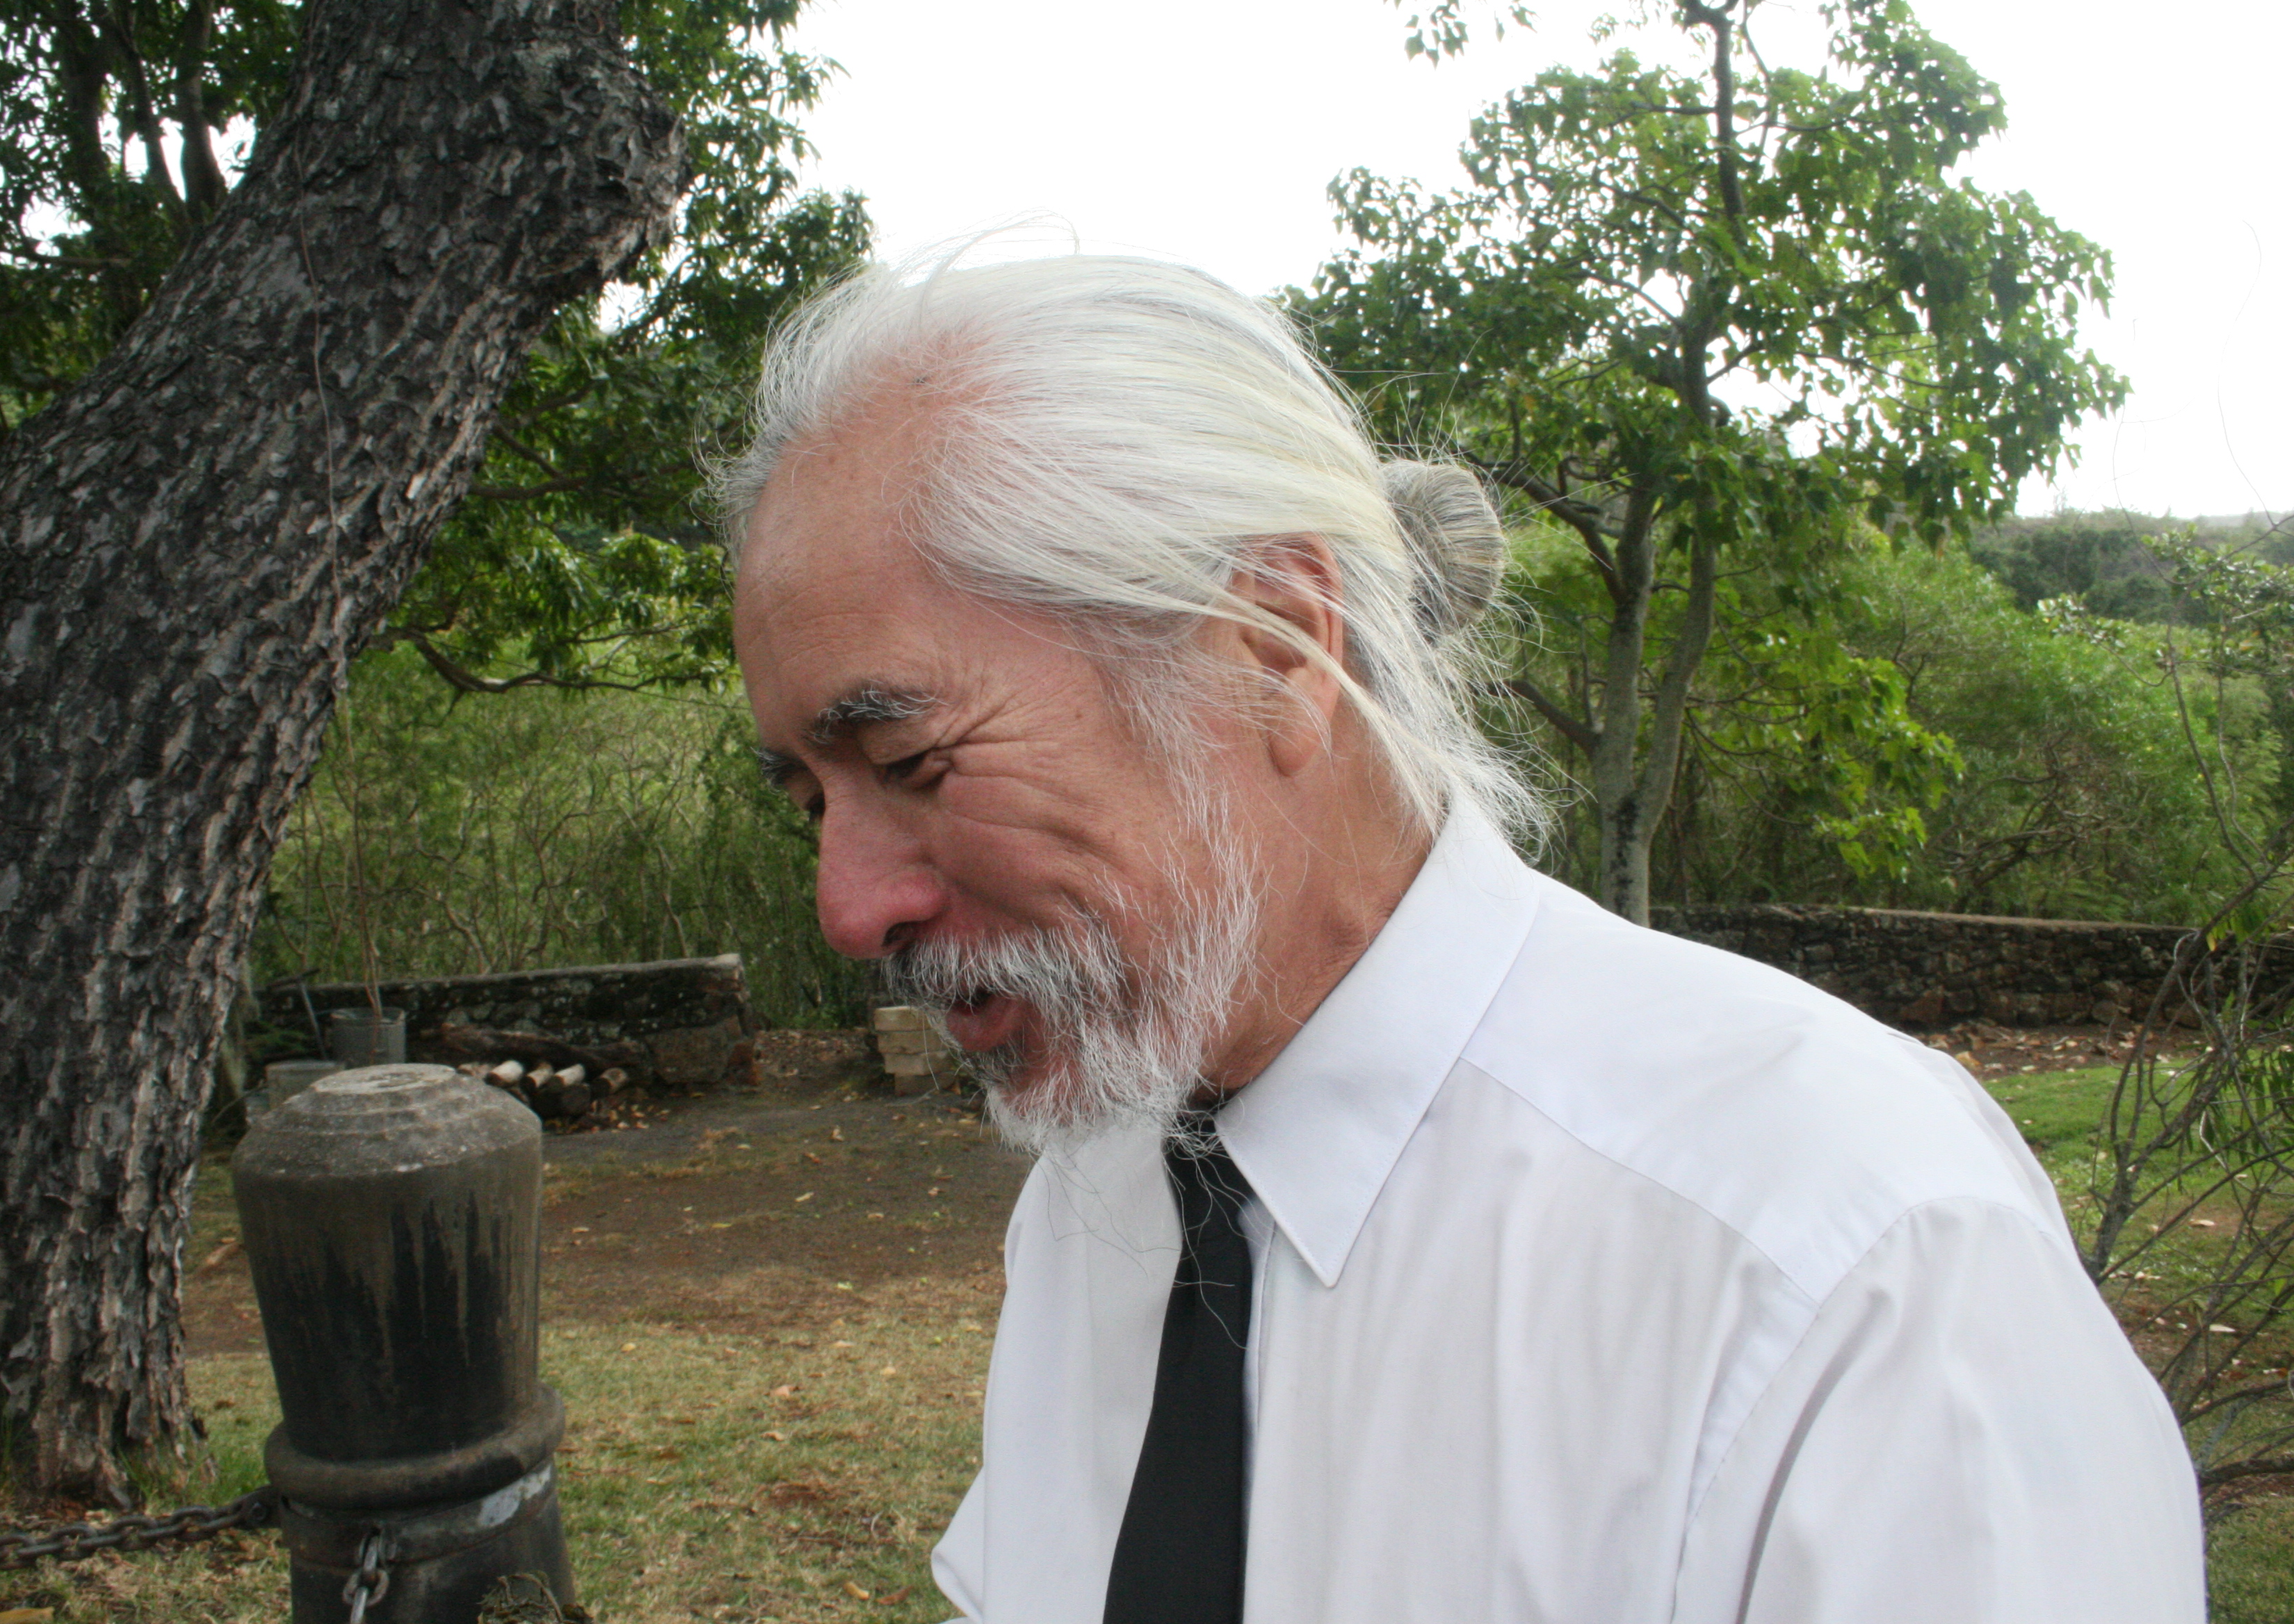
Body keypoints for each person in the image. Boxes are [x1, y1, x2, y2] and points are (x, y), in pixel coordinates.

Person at [721, 251, 2204, 1623]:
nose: (849, 908)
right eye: (809, 804)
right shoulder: (1096, 1201)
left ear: (1273, 648)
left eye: (911, 763)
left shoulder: (1842, 1254)